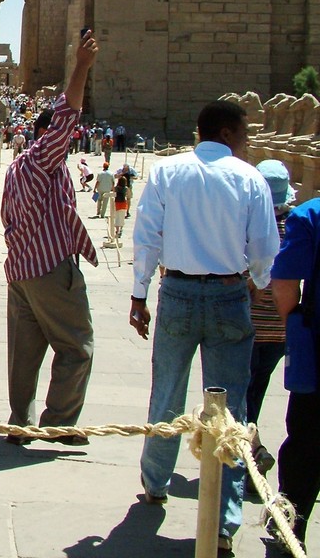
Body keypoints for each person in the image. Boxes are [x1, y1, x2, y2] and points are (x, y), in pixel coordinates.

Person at [128, 100, 280, 553]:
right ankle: (225, 521)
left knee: (166, 391)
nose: (247, 142)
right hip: (229, 294)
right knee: (231, 409)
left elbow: (147, 236)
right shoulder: (249, 178)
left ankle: (155, 482)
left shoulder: (167, 172)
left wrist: (139, 294)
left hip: (177, 291)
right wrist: (258, 283)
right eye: (245, 133)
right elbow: (264, 246)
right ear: (228, 133)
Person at [0, 27, 100, 446]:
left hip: (21, 271)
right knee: (77, 347)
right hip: (49, 270)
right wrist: (81, 66)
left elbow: (9, 220)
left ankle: (19, 421)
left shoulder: (15, 167)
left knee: (25, 354)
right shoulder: (44, 158)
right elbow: (66, 115)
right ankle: (58, 421)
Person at [269, 195, 320, 549]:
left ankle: (291, 532)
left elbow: (285, 283)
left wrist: (296, 326)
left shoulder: (311, 214)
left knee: (306, 444)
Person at [244, 160, 294, 498]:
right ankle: (250, 455)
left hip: (250, 324)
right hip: (281, 327)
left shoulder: (253, 224)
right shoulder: (297, 226)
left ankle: (252, 453)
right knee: (255, 391)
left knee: (239, 396)